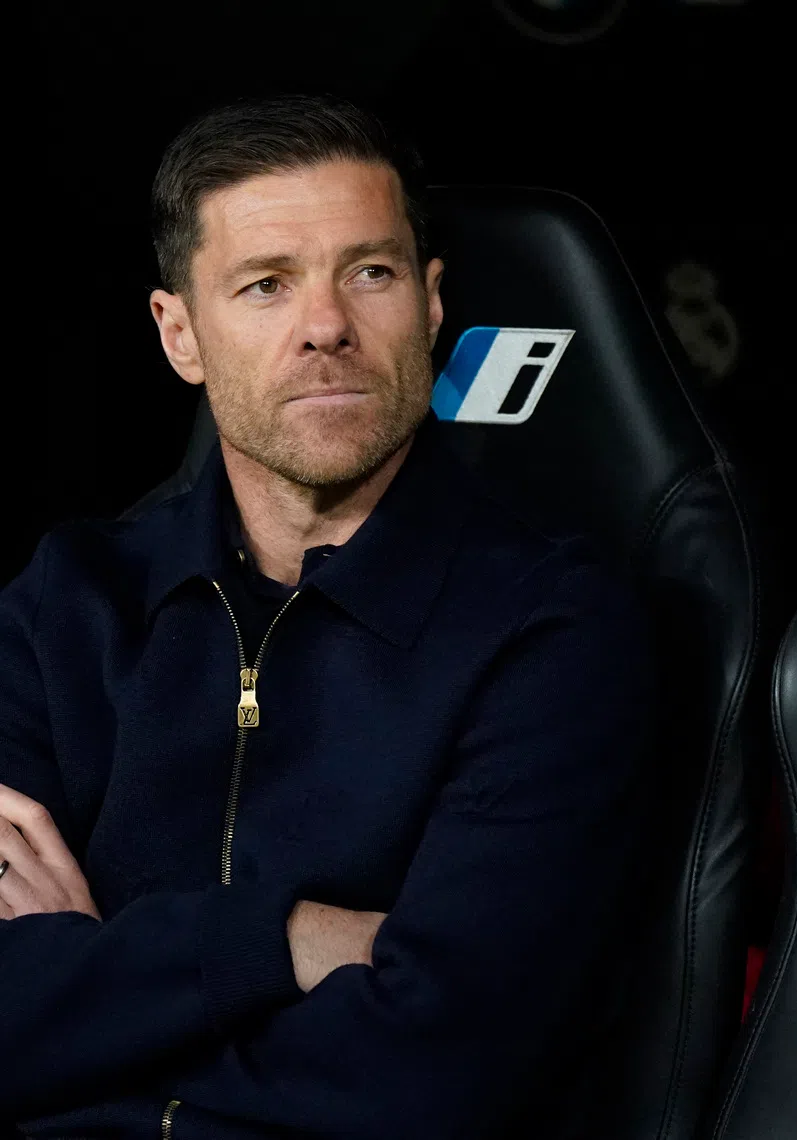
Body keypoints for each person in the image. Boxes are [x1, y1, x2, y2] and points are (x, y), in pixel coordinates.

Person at [0, 94, 654, 1139]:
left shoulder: (555, 633)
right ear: (181, 336)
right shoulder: (62, 603)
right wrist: (290, 940)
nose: (326, 327)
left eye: (372, 272)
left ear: (433, 308)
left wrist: (88, 996)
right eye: (265, 285)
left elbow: (443, 1072)